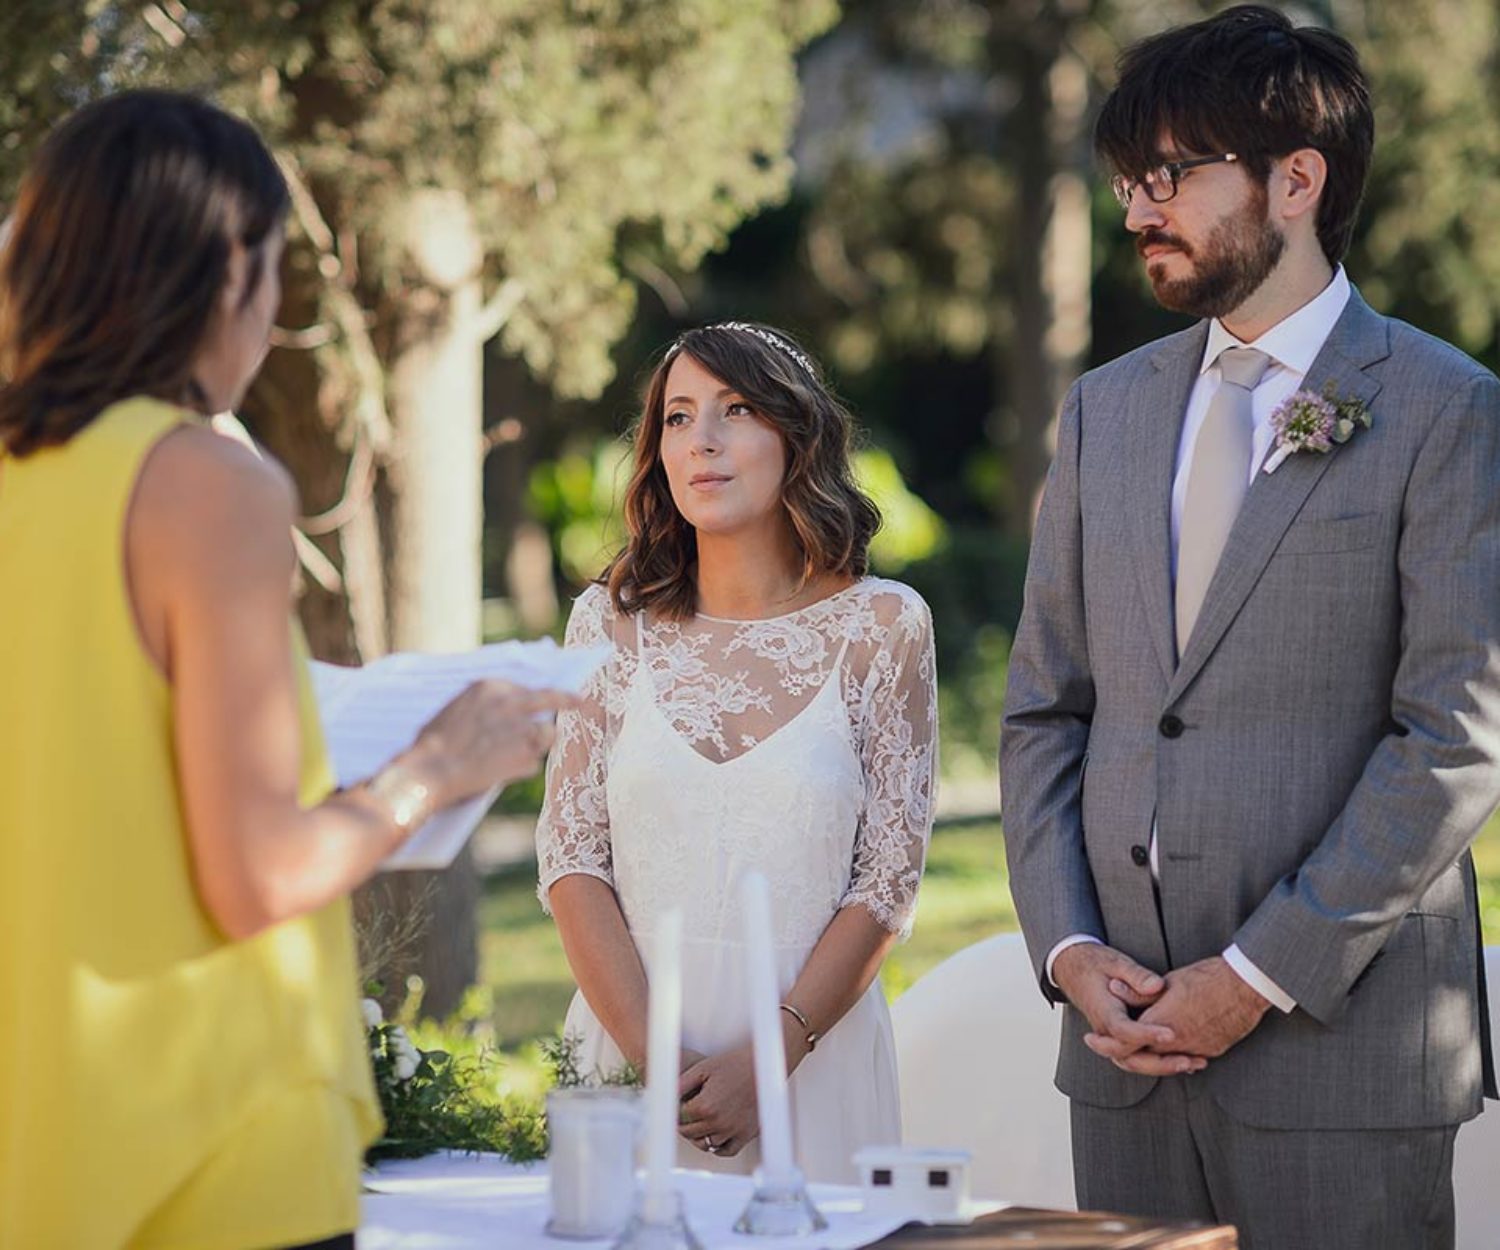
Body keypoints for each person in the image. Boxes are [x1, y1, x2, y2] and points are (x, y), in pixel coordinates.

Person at [0, 91, 570, 1250]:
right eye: (276, 269)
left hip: (39, 1122)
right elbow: (257, 873)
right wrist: (437, 763)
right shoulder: (205, 482)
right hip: (208, 1129)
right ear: (227, 270)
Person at [999, 7, 1499, 1247]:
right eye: (1127, 181)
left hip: (1342, 1048)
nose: (1136, 209)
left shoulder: (1447, 409)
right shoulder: (1105, 411)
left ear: (1298, 179)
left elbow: (1454, 735)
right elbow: (1045, 708)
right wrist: (1068, 947)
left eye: (1169, 175)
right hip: (1122, 1056)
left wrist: (1255, 974)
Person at [535, 321, 937, 1183]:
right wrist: (656, 1061)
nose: (702, 442)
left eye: (736, 409)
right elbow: (571, 857)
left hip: (812, 1063)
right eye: (677, 418)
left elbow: (888, 882)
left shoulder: (884, 625)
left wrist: (772, 1058)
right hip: (630, 1063)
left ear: (798, 439)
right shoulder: (605, 626)